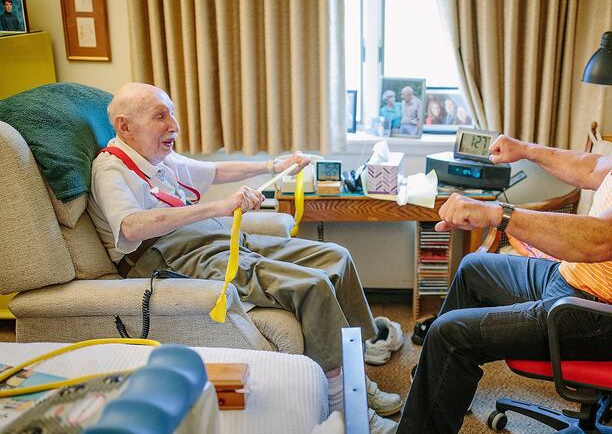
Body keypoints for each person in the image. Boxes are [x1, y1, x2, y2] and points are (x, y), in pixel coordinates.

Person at [396, 40, 612, 433]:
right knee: (473, 270)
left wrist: (497, 214)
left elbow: (598, 240)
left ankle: (428, 408)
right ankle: (437, 393)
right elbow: (595, 168)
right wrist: (526, 149)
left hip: (601, 317)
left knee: (448, 334)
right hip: (575, 282)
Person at [88, 83, 401, 434]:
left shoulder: (158, 158)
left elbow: (216, 172)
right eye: (161, 116)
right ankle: (347, 408)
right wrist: (220, 206)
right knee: (310, 285)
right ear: (124, 126)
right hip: (171, 256)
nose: (174, 125)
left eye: (172, 113)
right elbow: (130, 227)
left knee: (336, 258)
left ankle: (357, 377)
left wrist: (273, 165)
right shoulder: (111, 169)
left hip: (214, 235)